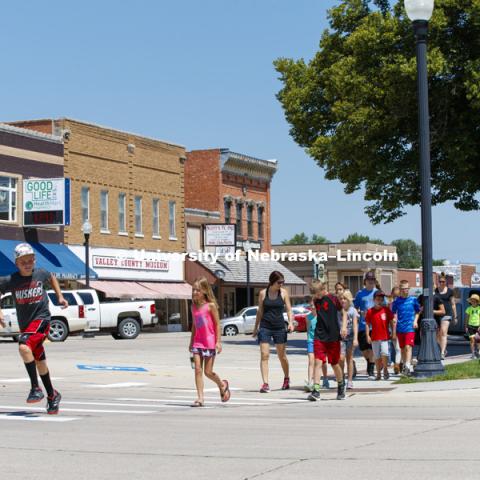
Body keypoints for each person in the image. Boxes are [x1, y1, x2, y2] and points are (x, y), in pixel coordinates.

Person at [0, 243, 66, 414]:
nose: (27, 264)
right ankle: (52, 396)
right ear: (16, 263)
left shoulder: (40, 273)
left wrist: (60, 296)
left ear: (34, 260)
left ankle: (35, 388)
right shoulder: (11, 280)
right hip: (26, 326)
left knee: (23, 346)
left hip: (42, 319)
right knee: (39, 361)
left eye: (30, 260)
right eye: (23, 262)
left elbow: (51, 277)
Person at [189, 277, 230, 407]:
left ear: (205, 291)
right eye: (193, 290)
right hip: (197, 342)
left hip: (209, 342)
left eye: (198, 290)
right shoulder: (193, 306)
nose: (195, 292)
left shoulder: (210, 306)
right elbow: (195, 326)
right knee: (197, 370)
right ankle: (200, 398)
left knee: (208, 372)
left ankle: (222, 384)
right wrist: (191, 342)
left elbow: (218, 324)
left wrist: (218, 341)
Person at [252, 271, 294, 393]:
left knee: (282, 356)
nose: (281, 284)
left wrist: (291, 322)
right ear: (272, 281)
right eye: (279, 282)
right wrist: (256, 328)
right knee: (264, 355)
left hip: (279, 327)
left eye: (283, 282)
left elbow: (289, 310)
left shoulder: (284, 293)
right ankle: (265, 383)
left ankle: (286, 378)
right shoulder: (263, 293)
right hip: (265, 326)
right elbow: (260, 311)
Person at [307, 280, 347, 401]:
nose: (316, 297)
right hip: (320, 335)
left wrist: (344, 327)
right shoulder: (315, 300)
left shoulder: (333, 299)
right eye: (314, 295)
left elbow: (343, 313)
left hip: (333, 336)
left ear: (322, 290)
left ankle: (341, 385)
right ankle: (316, 390)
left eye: (318, 294)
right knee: (318, 362)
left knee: (334, 364)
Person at [391, 280, 420, 376]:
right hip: (400, 327)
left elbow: (417, 311)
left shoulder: (413, 300)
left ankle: (407, 366)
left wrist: (415, 321)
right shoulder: (397, 301)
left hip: (410, 327)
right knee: (402, 348)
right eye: (403, 289)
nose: (405, 290)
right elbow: (393, 312)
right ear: (400, 290)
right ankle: (404, 365)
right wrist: (394, 319)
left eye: (407, 288)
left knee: (408, 347)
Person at [365, 291, 395, 380]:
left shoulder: (386, 310)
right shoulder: (370, 311)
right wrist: (367, 335)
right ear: (374, 300)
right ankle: (378, 373)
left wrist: (393, 332)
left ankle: (385, 369)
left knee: (385, 353)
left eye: (381, 299)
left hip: (385, 336)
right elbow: (367, 324)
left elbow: (391, 321)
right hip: (374, 337)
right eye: (378, 299)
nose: (379, 301)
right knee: (377, 356)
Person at [353, 271, 378, 378]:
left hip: (375, 325)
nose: (371, 282)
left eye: (372, 280)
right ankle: (370, 363)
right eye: (369, 280)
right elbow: (354, 308)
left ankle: (371, 370)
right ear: (365, 281)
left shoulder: (378, 293)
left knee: (372, 348)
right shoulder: (360, 294)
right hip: (363, 325)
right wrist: (359, 313)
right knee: (364, 349)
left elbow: (385, 305)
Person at [304, 294, 330, 392]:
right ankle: (310, 381)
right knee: (311, 361)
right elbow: (308, 330)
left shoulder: (321, 315)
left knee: (322, 362)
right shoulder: (308, 318)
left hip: (321, 341)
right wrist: (308, 340)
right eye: (310, 306)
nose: (312, 307)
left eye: (313, 305)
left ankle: (325, 379)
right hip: (311, 341)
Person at [434, 273, 457, 360]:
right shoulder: (436, 290)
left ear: (446, 282)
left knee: (443, 332)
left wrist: (455, 316)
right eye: (440, 281)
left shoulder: (450, 291)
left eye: (443, 281)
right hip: (437, 313)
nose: (442, 283)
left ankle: (442, 352)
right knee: (437, 335)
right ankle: (444, 348)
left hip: (447, 314)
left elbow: (453, 304)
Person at [339, 290, 358, 389]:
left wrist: (355, 339)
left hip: (350, 337)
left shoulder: (352, 310)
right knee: (341, 358)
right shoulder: (339, 310)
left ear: (349, 300)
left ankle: (349, 380)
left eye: (344, 298)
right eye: (341, 298)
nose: (343, 300)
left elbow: (355, 325)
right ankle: (341, 377)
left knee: (349, 358)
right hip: (341, 338)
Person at [388, 286, 402, 374]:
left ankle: (399, 364)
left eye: (398, 296)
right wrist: (393, 332)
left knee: (400, 349)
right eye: (395, 296)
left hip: (403, 328)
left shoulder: (400, 304)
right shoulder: (391, 306)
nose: (396, 298)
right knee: (398, 349)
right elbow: (392, 320)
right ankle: (397, 364)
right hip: (395, 329)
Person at [465, 294, 480, 359]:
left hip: (478, 326)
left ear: (477, 301)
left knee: (478, 340)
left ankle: (479, 352)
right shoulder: (469, 309)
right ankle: (473, 353)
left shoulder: (479, 308)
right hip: (470, 326)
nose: (473, 302)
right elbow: (467, 318)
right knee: (472, 340)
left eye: (474, 301)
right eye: (472, 301)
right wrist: (466, 326)